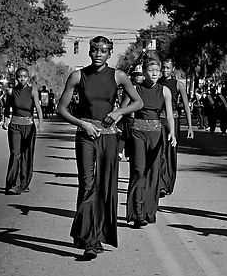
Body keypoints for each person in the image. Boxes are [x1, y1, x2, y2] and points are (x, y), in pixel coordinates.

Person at [56, 36, 143, 260]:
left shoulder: (118, 76)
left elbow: (138, 102)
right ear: (89, 51)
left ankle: (95, 235)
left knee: (105, 187)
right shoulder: (78, 76)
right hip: (86, 135)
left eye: (103, 51)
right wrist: (82, 123)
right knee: (87, 184)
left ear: (109, 53)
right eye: (95, 50)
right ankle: (89, 240)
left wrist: (118, 113)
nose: (98, 54)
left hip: (109, 137)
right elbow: (61, 109)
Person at [123, 57, 176, 226]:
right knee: (139, 171)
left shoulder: (165, 91)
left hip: (157, 134)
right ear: (144, 71)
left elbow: (168, 115)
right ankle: (137, 213)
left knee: (153, 174)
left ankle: (149, 212)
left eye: (157, 70)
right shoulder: (135, 89)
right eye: (151, 70)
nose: (154, 73)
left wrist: (172, 133)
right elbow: (125, 111)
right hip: (138, 134)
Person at [2, 67, 43, 195]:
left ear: (28, 77)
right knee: (15, 154)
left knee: (27, 155)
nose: (22, 79)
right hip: (15, 125)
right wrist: (5, 120)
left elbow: (38, 107)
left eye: (24, 76)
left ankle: (24, 183)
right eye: (20, 76)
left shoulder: (32, 91)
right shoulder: (11, 91)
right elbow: (7, 107)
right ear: (16, 77)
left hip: (29, 126)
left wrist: (40, 123)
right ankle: (12, 184)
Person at [158, 58, 193, 197]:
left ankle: (168, 184)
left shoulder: (178, 85)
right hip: (159, 120)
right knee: (160, 153)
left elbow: (186, 106)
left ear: (173, 69)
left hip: (173, 120)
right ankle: (160, 183)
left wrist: (190, 127)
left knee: (170, 153)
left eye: (167, 68)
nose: (165, 70)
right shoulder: (158, 83)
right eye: (163, 68)